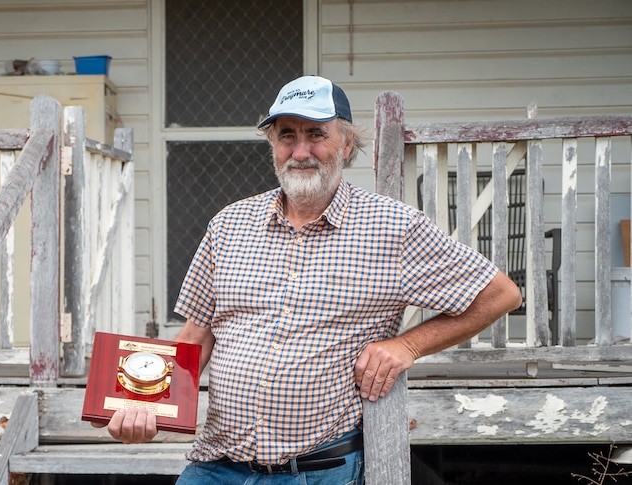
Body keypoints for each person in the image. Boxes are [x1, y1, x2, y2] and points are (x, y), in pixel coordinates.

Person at [94, 75, 523, 484]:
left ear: (347, 142)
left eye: (316, 134)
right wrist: (141, 407)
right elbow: (195, 334)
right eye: (287, 136)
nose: (301, 151)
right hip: (217, 464)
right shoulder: (229, 224)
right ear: (273, 144)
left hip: (318, 470)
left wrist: (406, 345)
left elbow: (500, 294)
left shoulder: (393, 227)